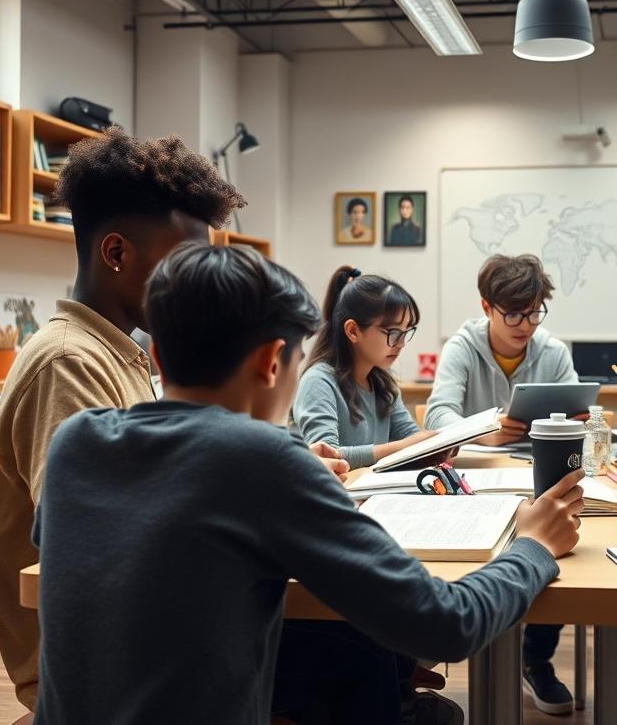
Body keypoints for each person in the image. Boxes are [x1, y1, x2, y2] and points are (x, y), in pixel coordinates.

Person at [33, 243, 586, 725]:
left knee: (358, 647)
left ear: (155, 353)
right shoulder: (264, 460)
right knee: (368, 649)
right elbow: (448, 625)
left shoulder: (75, 442)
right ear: (275, 362)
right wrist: (534, 546)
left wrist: (285, 474)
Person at [0, 128, 242, 710]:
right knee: (346, 647)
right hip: (99, 666)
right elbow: (92, 537)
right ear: (117, 253)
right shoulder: (69, 362)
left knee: (350, 648)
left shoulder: (122, 351)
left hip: (138, 633)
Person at [424, 253, 579, 715]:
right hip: (476, 481)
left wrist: (567, 423)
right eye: (513, 313)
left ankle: (535, 658)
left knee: (565, 544)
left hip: (538, 478)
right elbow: (437, 416)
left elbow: (578, 411)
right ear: (487, 306)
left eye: (533, 312)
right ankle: (487, 648)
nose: (525, 324)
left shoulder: (553, 351)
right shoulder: (462, 347)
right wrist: (483, 429)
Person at [294, 266, 437, 469]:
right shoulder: (318, 381)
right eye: (393, 332)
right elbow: (327, 457)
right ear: (353, 331)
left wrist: (437, 445)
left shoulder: (382, 383)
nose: (401, 343)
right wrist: (406, 446)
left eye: (406, 332)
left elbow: (412, 438)